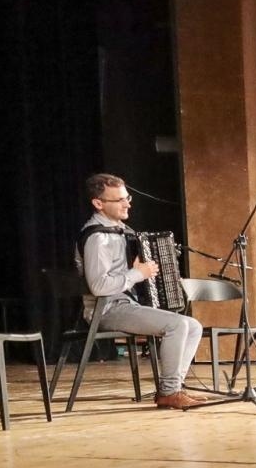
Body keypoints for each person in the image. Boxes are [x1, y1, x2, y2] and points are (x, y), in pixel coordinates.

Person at [75, 173, 206, 409]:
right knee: (177, 325)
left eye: (128, 198)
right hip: (105, 309)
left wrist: (143, 274)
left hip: (126, 304)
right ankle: (169, 392)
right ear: (98, 203)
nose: (127, 204)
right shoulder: (97, 238)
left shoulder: (122, 231)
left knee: (193, 325)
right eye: (120, 200)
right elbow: (99, 286)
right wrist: (137, 274)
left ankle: (173, 386)